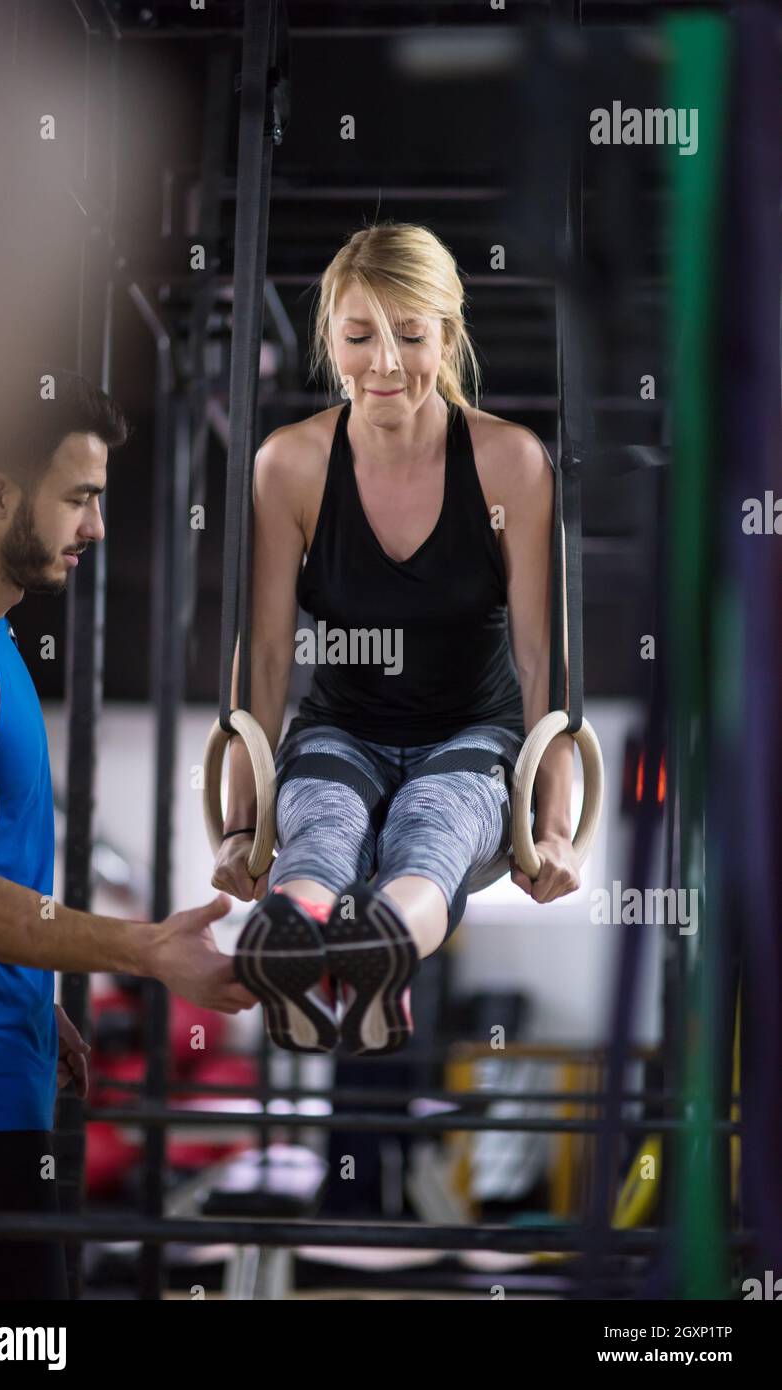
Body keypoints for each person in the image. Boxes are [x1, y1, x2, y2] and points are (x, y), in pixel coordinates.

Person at [0, 364, 255, 1300]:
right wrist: (144, 947)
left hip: (0, 1079)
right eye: (79, 499)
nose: (97, 528)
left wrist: (36, 997)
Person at [212, 222, 581, 1057]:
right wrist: (239, 824)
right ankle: (291, 947)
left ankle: (375, 949)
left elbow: (540, 659)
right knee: (321, 823)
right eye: (357, 336)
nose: (383, 363)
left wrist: (552, 826)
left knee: (434, 822)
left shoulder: (509, 464)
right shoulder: (291, 467)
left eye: (410, 335)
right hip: (341, 728)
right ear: (329, 340)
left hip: (472, 736)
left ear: (447, 335)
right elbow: (264, 655)